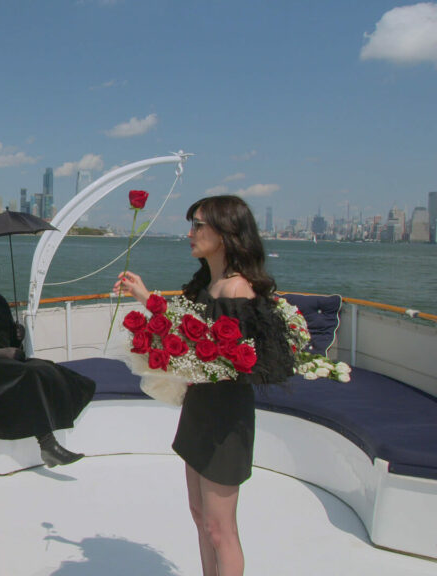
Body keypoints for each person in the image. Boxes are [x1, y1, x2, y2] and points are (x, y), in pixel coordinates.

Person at [114, 195, 293, 576]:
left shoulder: (236, 289)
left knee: (220, 528)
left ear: (226, 233)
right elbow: (190, 335)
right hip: (200, 410)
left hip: (226, 419)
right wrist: (146, 299)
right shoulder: (208, 284)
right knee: (200, 516)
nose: (190, 233)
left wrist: (183, 358)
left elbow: (234, 361)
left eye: (198, 225)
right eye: (191, 224)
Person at [0, 249, 94, 466]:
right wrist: (2, 353)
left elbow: (11, 343)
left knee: (50, 369)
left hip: (6, 362)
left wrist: (18, 335)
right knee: (32, 373)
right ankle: (47, 444)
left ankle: (58, 432)